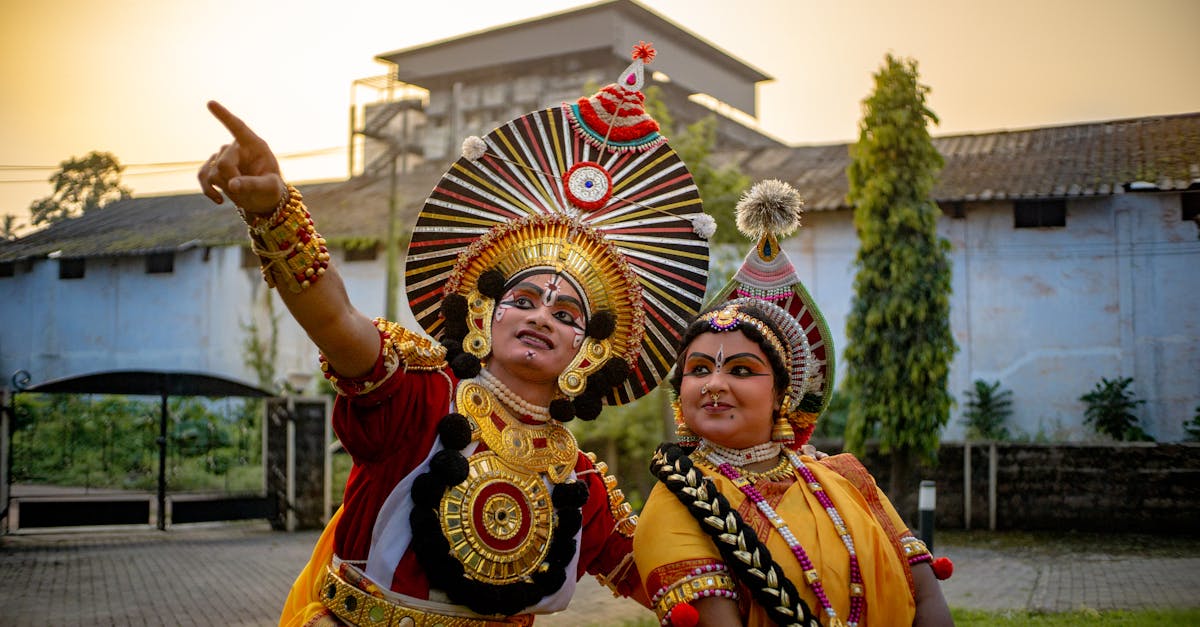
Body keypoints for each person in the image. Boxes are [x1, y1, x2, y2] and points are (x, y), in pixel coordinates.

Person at [198, 43, 715, 626]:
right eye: (522, 300)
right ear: (482, 315)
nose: (543, 316)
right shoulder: (416, 393)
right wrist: (274, 212)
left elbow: (672, 586)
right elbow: (333, 319)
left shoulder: (582, 486)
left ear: (589, 352)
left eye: (568, 315)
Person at [633, 180, 954, 627]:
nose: (714, 384)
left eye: (741, 370)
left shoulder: (847, 478)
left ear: (784, 394)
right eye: (699, 369)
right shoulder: (680, 501)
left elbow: (925, 592)